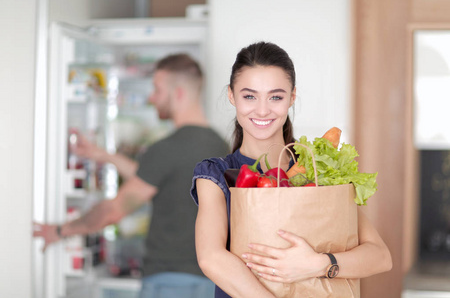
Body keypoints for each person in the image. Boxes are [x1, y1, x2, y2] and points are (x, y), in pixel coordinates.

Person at [190, 42, 393, 298]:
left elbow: (380, 256)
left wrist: (319, 264)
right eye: (249, 96)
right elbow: (211, 258)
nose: (263, 110)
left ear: (292, 97)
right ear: (232, 96)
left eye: (276, 96)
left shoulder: (317, 168)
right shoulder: (216, 174)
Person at [34, 53, 229, 298]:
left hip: (170, 281)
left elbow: (114, 210)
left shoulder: (168, 148)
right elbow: (158, 178)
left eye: (157, 89)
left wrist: (60, 231)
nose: (152, 97)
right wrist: (103, 155)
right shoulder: (220, 146)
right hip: (211, 280)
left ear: (178, 93)